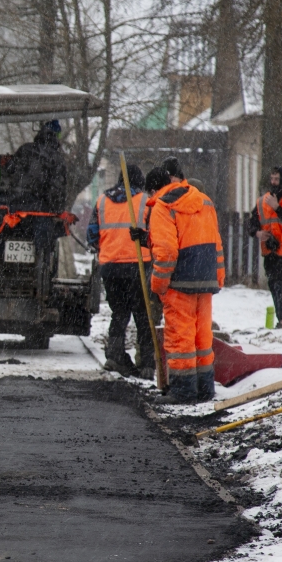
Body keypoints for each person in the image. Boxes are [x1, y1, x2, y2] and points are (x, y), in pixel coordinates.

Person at [137, 167, 225, 404]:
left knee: (180, 338)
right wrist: (219, 276)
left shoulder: (163, 207)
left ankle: (183, 391)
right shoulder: (205, 201)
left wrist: (159, 284)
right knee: (202, 337)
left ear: (154, 189)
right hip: (205, 279)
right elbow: (216, 242)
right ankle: (204, 388)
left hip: (179, 281)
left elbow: (165, 253)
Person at [87, 164, 154, 378]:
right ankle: (147, 364)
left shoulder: (102, 201)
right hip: (137, 265)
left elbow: (92, 235)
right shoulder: (145, 201)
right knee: (143, 316)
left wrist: (107, 247)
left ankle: (114, 356)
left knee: (119, 313)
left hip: (110, 267)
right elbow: (155, 232)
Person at [247, 167, 282, 326]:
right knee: (273, 284)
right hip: (270, 249)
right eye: (271, 178)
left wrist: (277, 208)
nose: (273, 182)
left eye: (276, 179)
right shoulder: (262, 201)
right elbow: (251, 223)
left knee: (279, 283)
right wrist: (257, 233)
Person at [1, 120, 67, 213]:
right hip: (38, 208)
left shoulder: (25, 148)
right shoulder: (57, 158)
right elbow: (57, 188)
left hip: (15, 202)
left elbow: (9, 169)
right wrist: (57, 209)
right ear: (57, 136)